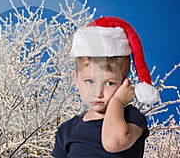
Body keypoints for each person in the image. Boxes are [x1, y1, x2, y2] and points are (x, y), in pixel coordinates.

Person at [51, 16, 158, 157]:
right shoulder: (66, 130)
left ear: (124, 83)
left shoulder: (132, 118)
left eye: (109, 83)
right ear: (76, 80)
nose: (98, 92)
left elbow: (113, 143)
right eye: (90, 81)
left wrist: (117, 102)